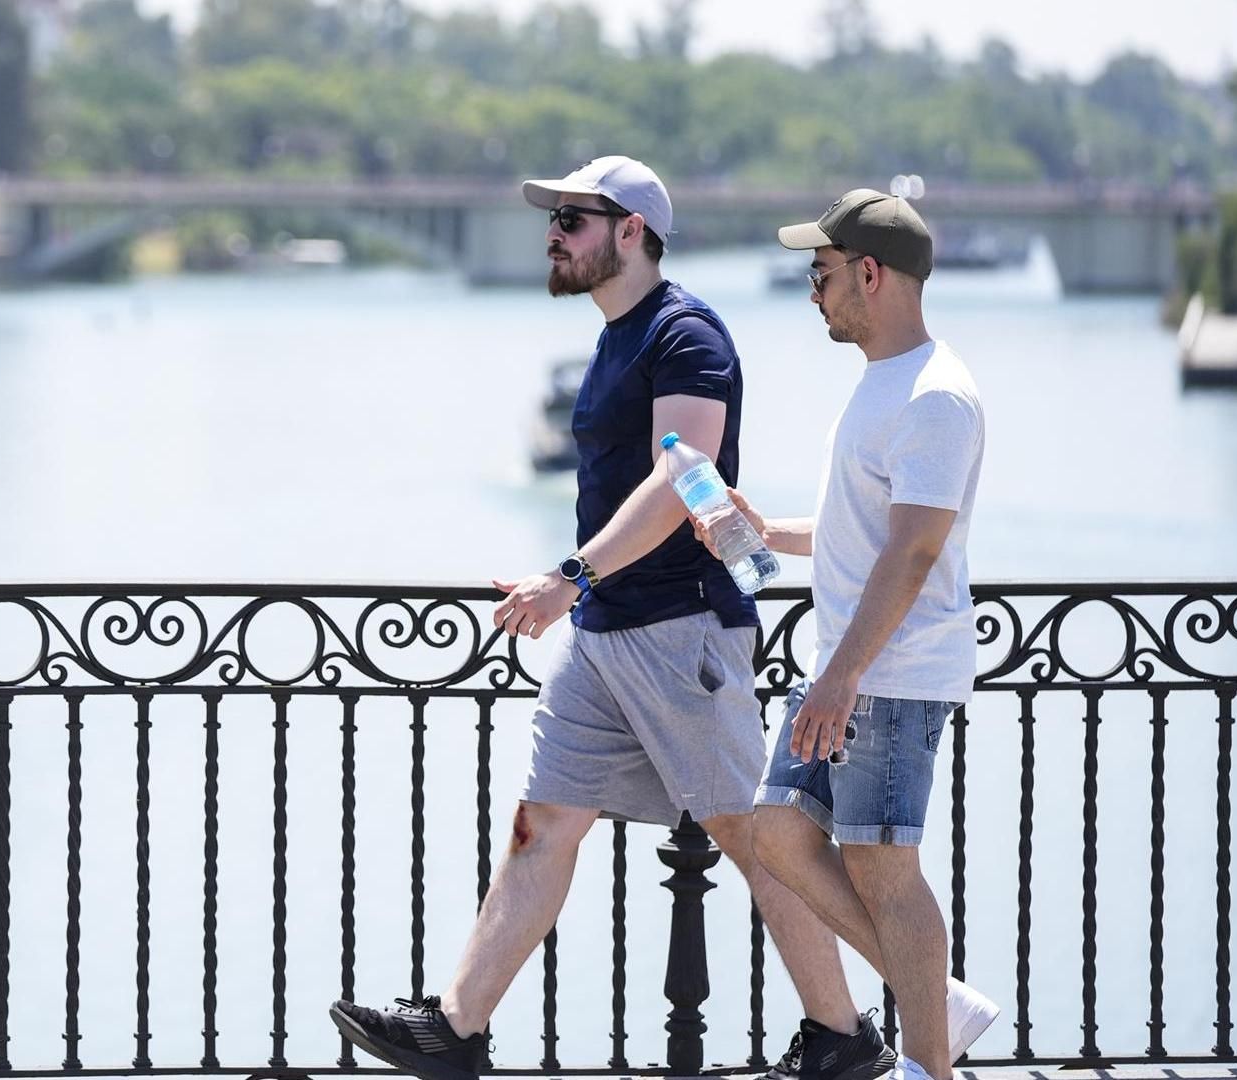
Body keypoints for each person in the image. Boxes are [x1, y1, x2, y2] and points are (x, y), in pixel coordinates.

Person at [328, 157, 893, 1080]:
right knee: (542, 821)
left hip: (682, 634)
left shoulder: (686, 338)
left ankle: (846, 1034)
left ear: (632, 231)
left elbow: (683, 481)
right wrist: (582, 591)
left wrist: (568, 575)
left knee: (759, 843)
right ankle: (456, 1029)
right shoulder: (615, 338)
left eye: (574, 219)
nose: (553, 232)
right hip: (605, 631)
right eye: (553, 220)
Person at [703, 188, 999, 1080]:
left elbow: (913, 554)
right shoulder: (883, 385)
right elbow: (856, 532)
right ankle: (934, 1002)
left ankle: (927, 1065)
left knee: (883, 867)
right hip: (850, 668)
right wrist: (759, 531)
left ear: (870, 273)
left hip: (888, 675)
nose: (812, 291)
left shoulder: (936, 398)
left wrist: (840, 679)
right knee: (777, 834)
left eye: (821, 272)